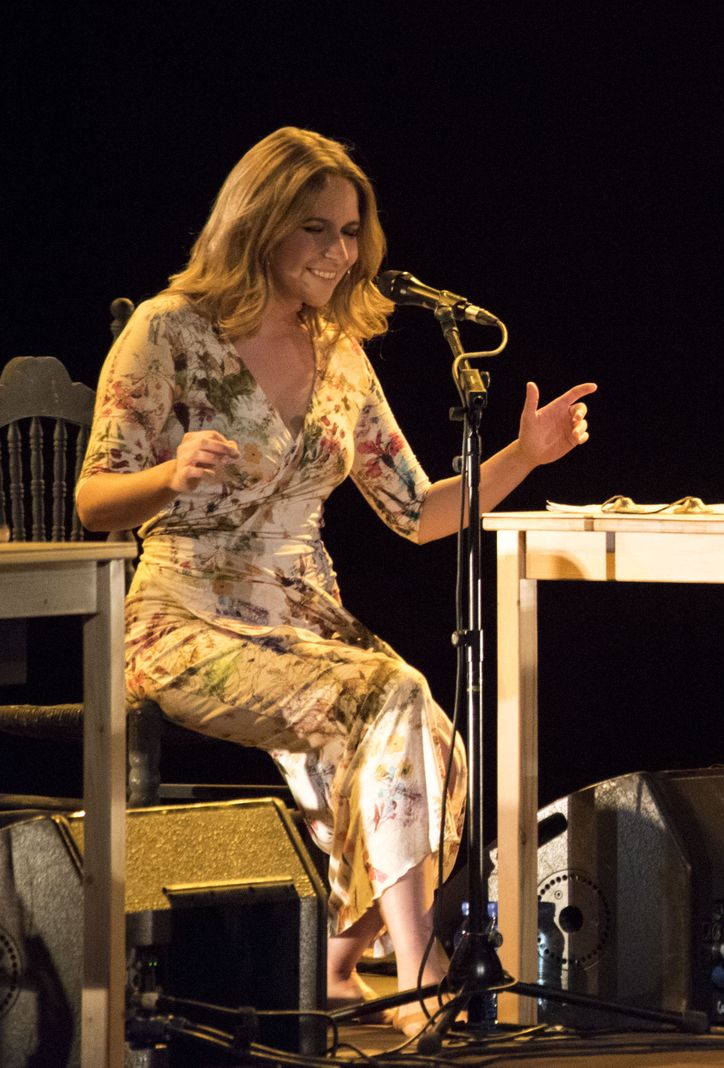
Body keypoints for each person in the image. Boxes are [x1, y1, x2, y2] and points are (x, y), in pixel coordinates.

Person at [76, 127, 596, 1037]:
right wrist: (165, 478)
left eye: (351, 232)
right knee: (392, 694)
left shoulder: (340, 352)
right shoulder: (169, 331)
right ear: (260, 225)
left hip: (305, 618)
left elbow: (417, 511)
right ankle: (424, 971)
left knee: (436, 741)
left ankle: (342, 958)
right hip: (186, 617)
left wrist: (524, 453)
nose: (339, 252)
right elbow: (92, 501)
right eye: (316, 229)